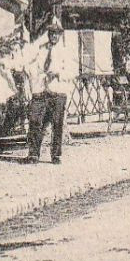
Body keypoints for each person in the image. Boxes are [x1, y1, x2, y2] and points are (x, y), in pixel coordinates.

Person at [27, 29, 74, 164]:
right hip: (41, 90)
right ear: (48, 35)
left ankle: (56, 155)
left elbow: (72, 72)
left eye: (56, 34)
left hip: (58, 91)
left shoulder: (66, 51)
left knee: (57, 123)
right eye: (51, 33)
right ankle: (34, 154)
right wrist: (37, 78)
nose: (53, 36)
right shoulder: (41, 49)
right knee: (35, 121)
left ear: (60, 35)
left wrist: (58, 73)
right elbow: (33, 67)